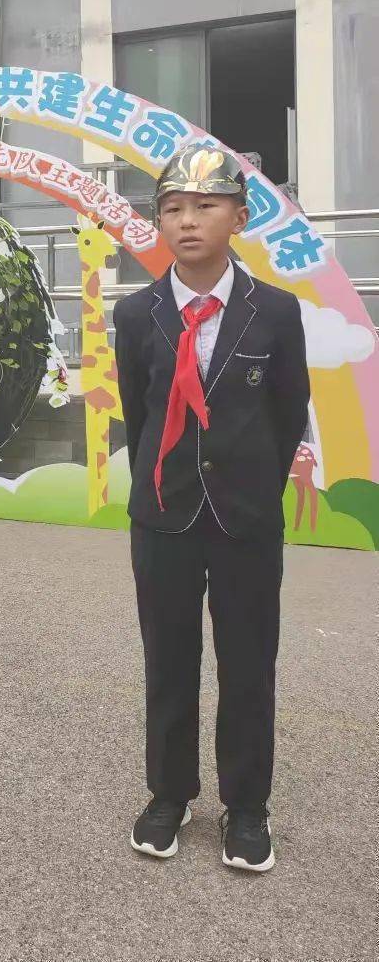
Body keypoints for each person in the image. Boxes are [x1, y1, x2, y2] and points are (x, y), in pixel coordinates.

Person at [113, 145, 309, 874]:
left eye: (203, 205)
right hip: (162, 516)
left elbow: (288, 410)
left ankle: (247, 806)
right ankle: (169, 794)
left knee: (248, 664)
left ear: (238, 215)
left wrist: (251, 480)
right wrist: (167, 480)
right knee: (167, 658)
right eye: (171, 207)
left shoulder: (275, 313)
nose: (186, 220)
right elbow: (139, 414)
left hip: (245, 519)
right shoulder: (135, 315)